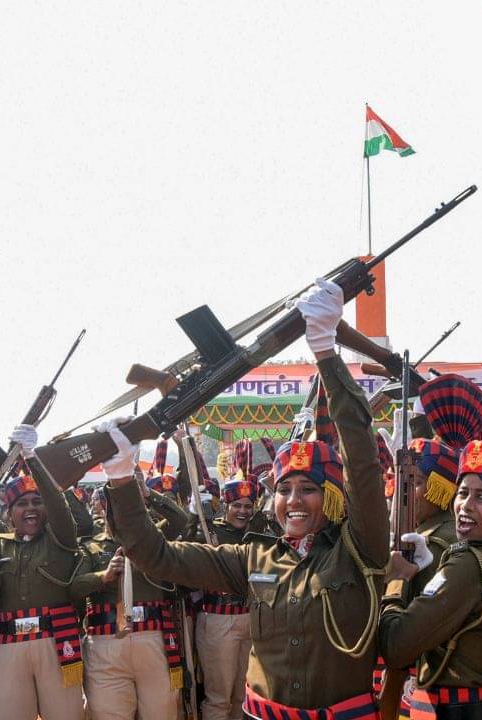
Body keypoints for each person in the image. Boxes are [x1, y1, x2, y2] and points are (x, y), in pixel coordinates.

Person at [100, 278, 389, 720]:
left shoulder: (360, 548)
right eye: (284, 489)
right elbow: (155, 555)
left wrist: (325, 353)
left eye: (308, 489)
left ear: (332, 496)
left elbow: (363, 463)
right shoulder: (253, 558)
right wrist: (121, 479)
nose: (293, 500)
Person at [377, 436, 482, 720]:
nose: (465, 506)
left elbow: (396, 646)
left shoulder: (469, 564)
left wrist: (397, 579)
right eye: (462, 493)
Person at [0, 426, 105, 720]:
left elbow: (59, 507)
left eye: (36, 501)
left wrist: (34, 460)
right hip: (8, 646)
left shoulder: (60, 539)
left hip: (56, 641)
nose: (30, 508)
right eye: (21, 503)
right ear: (9, 513)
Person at [78, 484, 188, 720]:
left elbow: (180, 520)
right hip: (106, 641)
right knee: (108, 714)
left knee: (162, 713)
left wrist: (147, 492)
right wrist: (103, 576)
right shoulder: (90, 546)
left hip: (152, 638)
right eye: (117, 505)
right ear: (105, 508)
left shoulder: (151, 542)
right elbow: (73, 587)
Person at [195, 478, 258, 720]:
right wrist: (192, 515)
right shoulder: (209, 531)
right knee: (219, 697)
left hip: (249, 617)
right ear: (225, 505)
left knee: (244, 695)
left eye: (248, 506)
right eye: (236, 505)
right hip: (219, 618)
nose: (243, 511)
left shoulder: (256, 532)